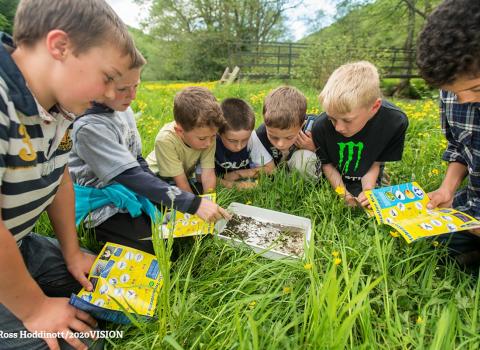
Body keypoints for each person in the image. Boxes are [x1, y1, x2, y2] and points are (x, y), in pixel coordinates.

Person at [0, 0, 141, 348]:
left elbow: (58, 178)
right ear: (60, 46)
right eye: (107, 78)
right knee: (83, 342)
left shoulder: (59, 106)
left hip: (17, 245)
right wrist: (34, 309)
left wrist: (72, 251)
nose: (110, 94)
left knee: (113, 290)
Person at [69, 55, 229, 254]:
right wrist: (193, 204)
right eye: (123, 89)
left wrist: (177, 201)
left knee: (173, 225)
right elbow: (129, 175)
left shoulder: (122, 108)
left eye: (136, 86)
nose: (133, 96)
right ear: (97, 84)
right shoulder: (89, 127)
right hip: (102, 204)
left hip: (131, 188)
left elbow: (137, 160)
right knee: (156, 248)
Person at [417, 0, 480, 265]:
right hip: (472, 210)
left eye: (476, 89)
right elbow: (459, 146)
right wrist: (447, 189)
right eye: (453, 92)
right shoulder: (454, 90)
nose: (463, 100)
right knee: (425, 246)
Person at [311, 61, 408, 207]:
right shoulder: (320, 126)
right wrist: (343, 194)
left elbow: (376, 161)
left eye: (347, 120)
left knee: (370, 197)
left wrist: (368, 190)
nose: (338, 128)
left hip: (367, 170)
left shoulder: (395, 122)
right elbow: (327, 165)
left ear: (374, 107)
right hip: (335, 172)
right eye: (332, 118)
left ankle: (378, 180)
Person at [146, 86, 225, 194]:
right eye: (202, 138)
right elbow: (180, 181)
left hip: (183, 176)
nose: (209, 143)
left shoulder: (207, 135)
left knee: (200, 189)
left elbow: (208, 172)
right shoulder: (165, 140)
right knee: (164, 197)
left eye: (213, 136)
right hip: (158, 177)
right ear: (180, 131)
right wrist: (196, 208)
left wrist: (210, 200)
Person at [253, 86, 320, 178]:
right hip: (277, 174)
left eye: (289, 137)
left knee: (303, 159)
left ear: (302, 124)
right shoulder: (260, 135)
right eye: (274, 137)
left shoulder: (314, 128)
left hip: (305, 175)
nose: (280, 144)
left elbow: (335, 157)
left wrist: (314, 148)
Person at [215, 98, 274, 189]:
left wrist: (239, 174)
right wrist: (234, 186)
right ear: (219, 132)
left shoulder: (252, 138)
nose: (239, 146)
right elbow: (202, 177)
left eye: (245, 140)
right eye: (232, 141)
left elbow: (271, 169)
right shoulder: (211, 141)